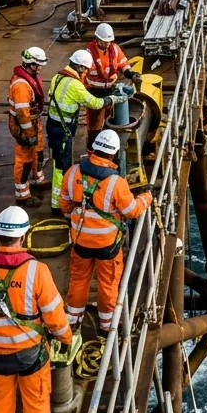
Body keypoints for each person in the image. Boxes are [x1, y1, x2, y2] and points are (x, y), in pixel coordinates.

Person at [0, 206, 74, 413]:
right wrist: (66, 339)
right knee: (37, 404)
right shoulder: (37, 271)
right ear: (23, 236)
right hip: (30, 354)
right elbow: (55, 316)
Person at [59, 130, 152, 333]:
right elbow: (132, 211)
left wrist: (74, 218)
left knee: (78, 280)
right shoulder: (117, 183)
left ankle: (73, 319)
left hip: (80, 241)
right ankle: (107, 324)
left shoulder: (73, 172)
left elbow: (64, 204)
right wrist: (146, 198)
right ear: (113, 155)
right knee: (108, 283)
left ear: (93, 149)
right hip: (106, 245)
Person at [46, 50, 133, 213]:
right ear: (79, 67)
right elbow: (94, 103)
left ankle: (58, 202)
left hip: (53, 126)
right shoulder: (75, 85)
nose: (86, 72)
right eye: (85, 69)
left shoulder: (57, 77)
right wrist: (114, 99)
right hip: (63, 130)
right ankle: (59, 205)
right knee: (62, 167)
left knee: (58, 162)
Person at [8, 47, 49, 207]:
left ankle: (38, 180)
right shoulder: (20, 86)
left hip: (33, 122)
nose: (40, 69)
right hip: (23, 126)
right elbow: (22, 114)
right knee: (24, 160)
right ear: (30, 64)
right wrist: (29, 133)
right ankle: (22, 195)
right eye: (38, 65)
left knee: (38, 151)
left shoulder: (30, 79)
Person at [85, 23, 138, 135]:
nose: (107, 44)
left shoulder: (115, 49)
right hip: (95, 92)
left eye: (108, 41)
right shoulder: (89, 54)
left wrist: (131, 74)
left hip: (110, 90)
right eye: (104, 41)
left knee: (110, 120)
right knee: (94, 125)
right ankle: (93, 146)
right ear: (97, 39)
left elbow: (123, 64)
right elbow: (83, 75)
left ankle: (107, 140)